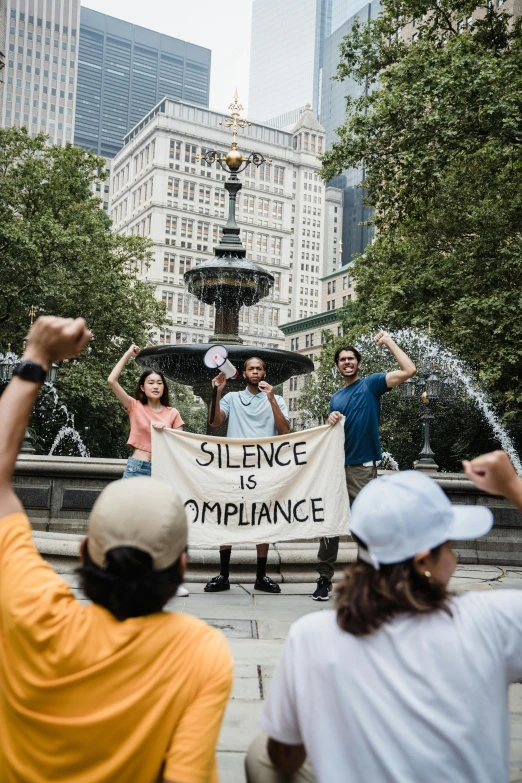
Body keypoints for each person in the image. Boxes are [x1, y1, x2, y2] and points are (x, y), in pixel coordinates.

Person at [0, 316, 233, 783]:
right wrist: (130, 355)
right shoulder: (202, 653)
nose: (150, 384)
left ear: (85, 551)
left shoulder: (32, 613)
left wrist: (37, 355)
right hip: (136, 468)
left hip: (162, 468)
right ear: (180, 564)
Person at [246, 466, 522, 783]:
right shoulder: (491, 620)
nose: (454, 558)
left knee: (260, 755)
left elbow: (284, 755)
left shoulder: (311, 636)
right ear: (422, 562)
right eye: (448, 546)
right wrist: (513, 485)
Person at [312, 330, 416, 601]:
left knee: (366, 526)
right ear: (337, 366)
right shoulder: (336, 397)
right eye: (342, 359)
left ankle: (367, 580)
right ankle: (324, 579)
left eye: (351, 358)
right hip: (335, 470)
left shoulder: (372, 384)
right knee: (330, 525)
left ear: (358, 363)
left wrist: (389, 341)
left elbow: (409, 370)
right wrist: (330, 420)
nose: (347, 362)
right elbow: (330, 436)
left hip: (361, 469)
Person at [108, 344, 189, 598]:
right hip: (137, 468)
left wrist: (168, 432)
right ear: (142, 387)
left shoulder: (172, 413)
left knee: (163, 526)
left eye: (159, 383)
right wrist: (129, 355)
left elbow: (182, 444)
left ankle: (168, 578)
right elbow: (111, 380)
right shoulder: (134, 406)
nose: (155, 386)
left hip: (163, 473)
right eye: (150, 382)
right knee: (128, 524)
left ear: (164, 388)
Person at [204, 356, 290, 594]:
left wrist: (271, 398)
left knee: (263, 517)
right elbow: (214, 422)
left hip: (264, 467)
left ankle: (261, 577)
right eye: (250, 368)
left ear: (264, 373)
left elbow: (284, 430)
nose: (254, 372)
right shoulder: (232, 398)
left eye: (258, 369)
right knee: (227, 515)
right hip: (234, 466)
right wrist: (217, 392)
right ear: (244, 374)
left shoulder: (277, 398)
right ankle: (223, 575)